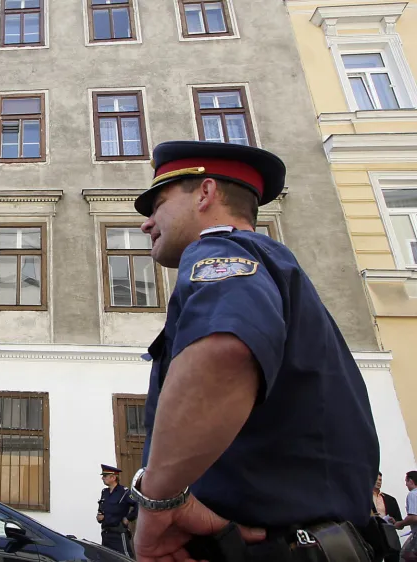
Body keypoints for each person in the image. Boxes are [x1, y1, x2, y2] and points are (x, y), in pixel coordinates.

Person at [130, 140, 380, 561]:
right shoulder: (278, 267)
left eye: (158, 204)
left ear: (206, 193)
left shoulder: (219, 249)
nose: (147, 223)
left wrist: (159, 502)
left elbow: (224, 347)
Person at [97, 464, 138, 556]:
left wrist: (128, 518)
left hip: (118, 533)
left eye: (105, 476)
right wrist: (99, 516)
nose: (102, 478)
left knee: (125, 558)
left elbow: (138, 505)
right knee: (106, 558)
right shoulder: (105, 492)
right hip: (106, 533)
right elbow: (102, 508)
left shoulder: (124, 492)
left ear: (113, 477)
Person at [396, 471, 417, 560]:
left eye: (406, 481)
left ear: (411, 481)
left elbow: (413, 517)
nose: (406, 485)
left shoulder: (413, 494)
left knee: (404, 555)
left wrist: (400, 524)